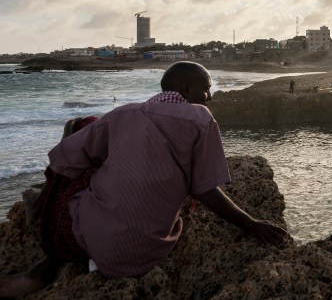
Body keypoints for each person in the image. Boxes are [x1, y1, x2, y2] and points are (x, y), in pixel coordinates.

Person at [0, 61, 289, 298]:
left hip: (97, 241)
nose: (210, 97)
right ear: (186, 89)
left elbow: (64, 158)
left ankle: (41, 241)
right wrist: (251, 225)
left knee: (79, 129)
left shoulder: (124, 113)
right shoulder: (200, 118)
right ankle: (45, 266)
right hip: (145, 252)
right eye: (207, 89)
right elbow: (204, 189)